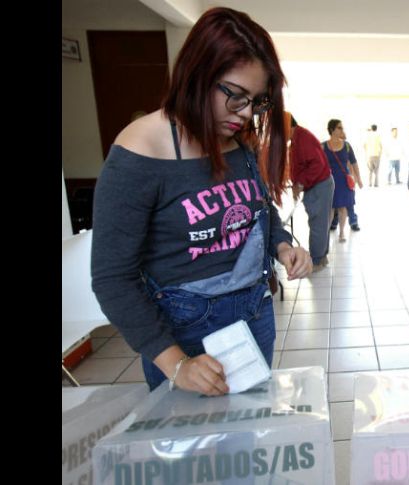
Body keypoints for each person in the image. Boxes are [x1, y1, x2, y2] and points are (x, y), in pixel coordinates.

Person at [90, 7, 312, 396]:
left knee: (246, 438)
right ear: (198, 74)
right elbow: (112, 279)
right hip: (183, 333)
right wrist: (177, 365)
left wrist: (283, 245)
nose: (245, 114)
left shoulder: (238, 141)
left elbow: (259, 211)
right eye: (236, 96)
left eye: (256, 101)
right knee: (196, 454)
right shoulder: (140, 149)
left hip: (253, 313)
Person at [288, 114, 335, 271]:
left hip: (319, 185)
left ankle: (316, 261)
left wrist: (300, 184)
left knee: (318, 224)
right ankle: (321, 257)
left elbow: (316, 165)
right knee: (320, 223)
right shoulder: (297, 138)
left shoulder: (303, 138)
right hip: (317, 184)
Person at [323, 119, 363, 242]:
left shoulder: (346, 145)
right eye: (339, 128)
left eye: (342, 128)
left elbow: (354, 162)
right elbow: (316, 164)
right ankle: (326, 234)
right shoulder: (323, 146)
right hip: (328, 181)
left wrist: (359, 178)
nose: (342, 130)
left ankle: (341, 233)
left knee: (342, 208)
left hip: (344, 181)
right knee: (330, 208)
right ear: (332, 129)